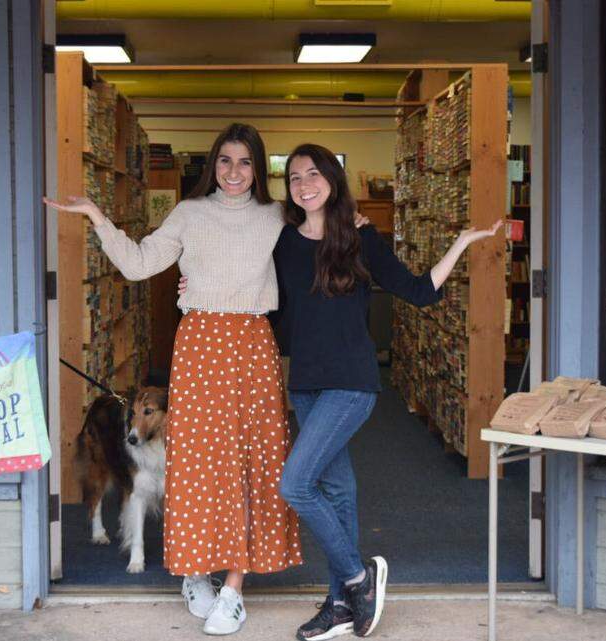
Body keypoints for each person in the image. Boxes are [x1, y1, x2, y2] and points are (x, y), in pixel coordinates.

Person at [182, 142, 500, 640]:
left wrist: (460, 242)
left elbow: (418, 290)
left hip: (351, 385)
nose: (305, 184)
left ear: (332, 179)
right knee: (337, 489)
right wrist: (196, 288)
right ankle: (340, 606)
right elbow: (250, 281)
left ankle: (357, 577)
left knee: (295, 485)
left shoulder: (359, 239)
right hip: (305, 384)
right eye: (295, 178)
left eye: (314, 174)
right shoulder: (284, 240)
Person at [44, 123, 302, 636]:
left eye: (245, 162)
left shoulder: (278, 217)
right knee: (197, 463)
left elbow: (323, 240)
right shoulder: (190, 213)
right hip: (201, 345)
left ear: (259, 168)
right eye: (225, 161)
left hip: (252, 347)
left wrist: (356, 219)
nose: (234, 172)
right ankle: (195, 572)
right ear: (212, 165)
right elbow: (139, 264)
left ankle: (234, 587)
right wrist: (97, 215)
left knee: (253, 459)